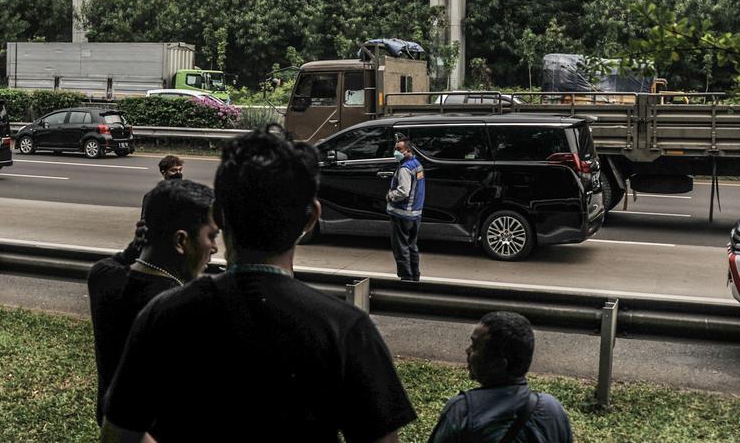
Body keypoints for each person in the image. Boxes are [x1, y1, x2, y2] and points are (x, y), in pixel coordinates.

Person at [100, 126, 416, 442]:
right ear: (310, 219)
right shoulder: (345, 327)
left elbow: (118, 434)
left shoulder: (164, 314)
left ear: (219, 216)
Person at [88, 179, 218, 424]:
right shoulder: (185, 308)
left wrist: (136, 247)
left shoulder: (101, 278)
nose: (215, 248)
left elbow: (119, 263)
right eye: (211, 236)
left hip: (112, 425)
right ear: (181, 241)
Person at [429, 312, 574, 443]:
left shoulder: (462, 410)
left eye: (475, 346)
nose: (468, 351)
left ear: (499, 364)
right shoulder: (553, 409)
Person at [387, 135, 425, 282]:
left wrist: (390, 196)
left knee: (401, 249)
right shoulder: (417, 164)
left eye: (399, 149)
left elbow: (403, 191)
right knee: (412, 246)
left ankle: (406, 279)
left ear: (407, 150)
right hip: (416, 214)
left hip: (402, 214)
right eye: (395, 148)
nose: (395, 152)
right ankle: (415, 276)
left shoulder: (405, 168)